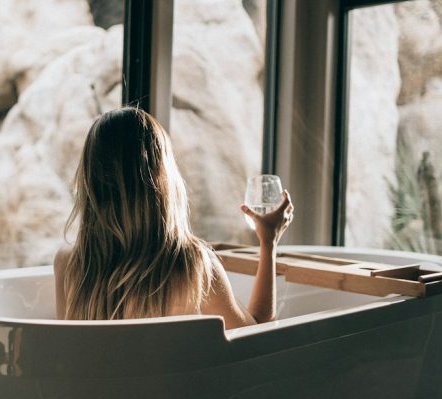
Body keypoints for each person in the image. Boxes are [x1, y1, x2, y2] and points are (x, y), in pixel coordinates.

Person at [54, 106, 294, 329]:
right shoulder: (192, 265)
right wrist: (268, 242)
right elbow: (254, 337)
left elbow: (69, 350)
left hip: (100, 377)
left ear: (90, 183)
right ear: (163, 180)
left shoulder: (69, 264)